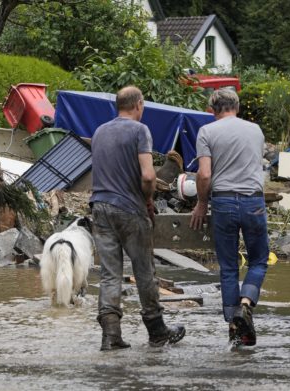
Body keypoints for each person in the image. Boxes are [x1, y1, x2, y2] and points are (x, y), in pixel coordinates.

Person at [90, 86, 185, 351]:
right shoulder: (140, 130)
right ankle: (157, 332)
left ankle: (111, 336)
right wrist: (149, 199)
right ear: (139, 105)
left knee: (110, 275)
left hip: (99, 208)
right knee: (144, 271)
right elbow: (147, 176)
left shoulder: (99, 131)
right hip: (129, 209)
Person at [189, 89, 269, 347]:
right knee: (258, 260)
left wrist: (202, 203)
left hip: (223, 201)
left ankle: (234, 325)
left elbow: (204, 175)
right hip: (253, 201)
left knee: (229, 267)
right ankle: (246, 304)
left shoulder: (207, 132)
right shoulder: (255, 130)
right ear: (237, 106)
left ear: (213, 109)